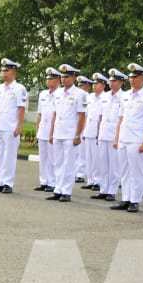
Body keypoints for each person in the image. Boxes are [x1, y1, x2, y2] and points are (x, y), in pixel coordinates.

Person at [109, 63, 143, 213]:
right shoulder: (125, 96)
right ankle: (126, 198)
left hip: (137, 139)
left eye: (135, 77)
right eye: (130, 77)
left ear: (142, 78)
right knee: (124, 171)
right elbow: (120, 119)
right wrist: (116, 138)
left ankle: (135, 200)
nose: (132, 80)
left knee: (137, 172)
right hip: (124, 138)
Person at [46, 64, 87, 203]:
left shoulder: (80, 94)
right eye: (62, 76)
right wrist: (51, 133)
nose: (64, 79)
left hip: (70, 134)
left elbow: (82, 116)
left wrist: (77, 135)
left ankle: (66, 191)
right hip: (58, 132)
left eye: (67, 76)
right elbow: (55, 114)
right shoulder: (57, 93)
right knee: (57, 162)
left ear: (74, 77)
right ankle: (58, 189)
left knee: (69, 164)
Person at [0, 58, 27, 194]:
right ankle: (0, 181)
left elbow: (21, 109)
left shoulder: (19, 88)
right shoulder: (0, 88)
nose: (3, 73)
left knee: (9, 156)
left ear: (13, 71)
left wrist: (19, 126)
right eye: (2, 70)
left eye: (6, 70)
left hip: (11, 127)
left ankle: (8, 183)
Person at [91, 69, 126, 202]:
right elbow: (100, 117)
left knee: (114, 165)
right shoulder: (104, 97)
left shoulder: (124, 97)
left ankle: (112, 190)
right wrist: (97, 133)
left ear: (121, 82)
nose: (112, 83)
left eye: (115, 80)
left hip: (114, 135)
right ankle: (103, 189)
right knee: (102, 164)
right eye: (110, 81)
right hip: (103, 133)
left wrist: (118, 137)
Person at [33, 67, 60, 192]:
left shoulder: (60, 94)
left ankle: (53, 182)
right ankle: (44, 181)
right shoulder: (43, 94)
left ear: (57, 80)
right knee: (43, 158)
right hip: (43, 130)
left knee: (53, 158)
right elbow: (39, 114)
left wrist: (53, 132)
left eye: (51, 79)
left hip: (54, 130)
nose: (48, 81)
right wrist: (37, 129)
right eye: (47, 79)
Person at [81, 73, 108, 192]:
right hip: (88, 130)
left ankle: (98, 181)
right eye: (94, 83)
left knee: (98, 159)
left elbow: (102, 117)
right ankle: (90, 180)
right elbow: (86, 115)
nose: (94, 85)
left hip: (98, 132)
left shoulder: (106, 97)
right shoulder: (89, 97)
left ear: (103, 85)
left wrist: (99, 132)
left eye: (97, 83)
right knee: (89, 157)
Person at [75, 75, 93, 182]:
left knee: (82, 153)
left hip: (84, 127)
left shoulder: (88, 97)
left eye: (82, 85)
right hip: (76, 126)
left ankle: (81, 173)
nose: (80, 87)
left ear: (87, 86)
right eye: (79, 85)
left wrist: (84, 129)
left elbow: (87, 115)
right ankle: (77, 172)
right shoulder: (79, 96)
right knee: (77, 152)